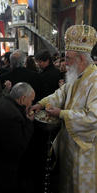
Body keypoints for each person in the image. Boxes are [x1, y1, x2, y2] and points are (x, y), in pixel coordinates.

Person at [30, 24, 97, 193]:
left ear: (81, 59)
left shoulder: (95, 81)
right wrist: (41, 103)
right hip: (70, 142)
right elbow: (61, 93)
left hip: (85, 149)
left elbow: (93, 118)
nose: (65, 62)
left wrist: (62, 113)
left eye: (68, 58)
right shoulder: (77, 75)